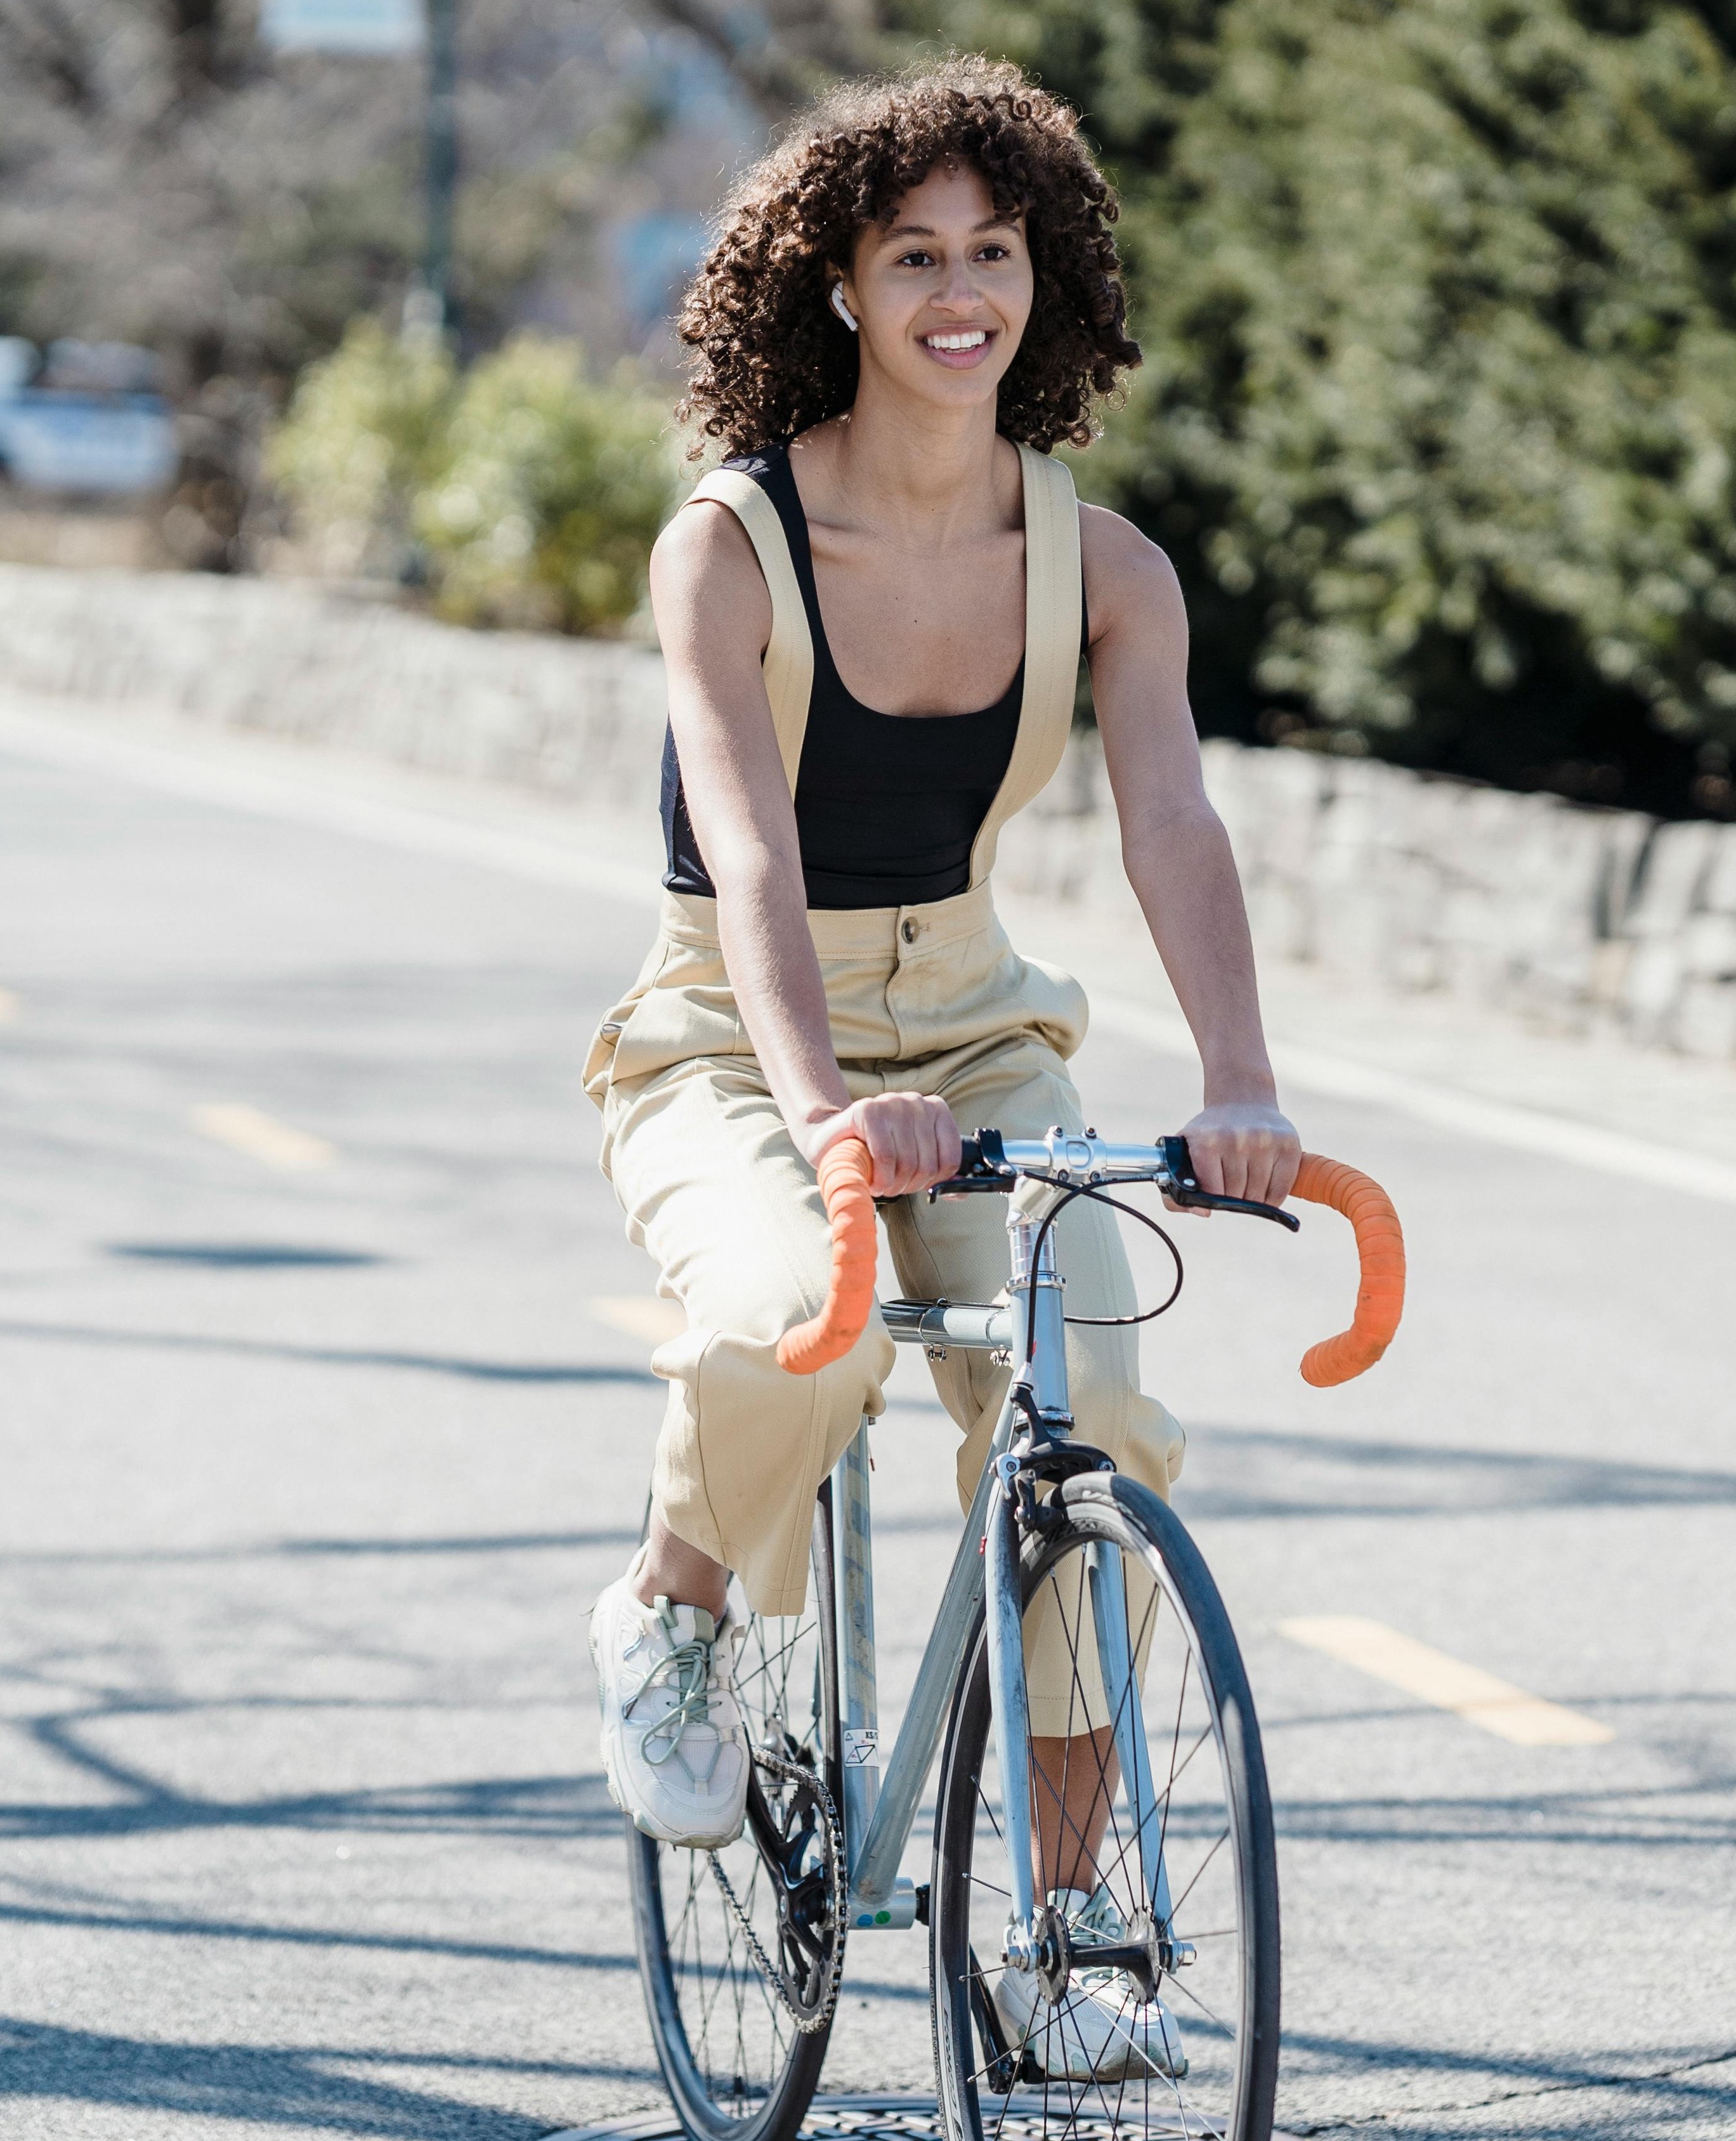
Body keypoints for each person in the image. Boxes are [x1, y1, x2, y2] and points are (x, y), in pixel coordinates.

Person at [578, 57, 1293, 2077]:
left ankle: (1067, 1944)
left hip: (977, 1030)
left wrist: (1242, 1082)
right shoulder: (731, 545)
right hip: (735, 1036)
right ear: (840, 284)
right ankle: (672, 1610)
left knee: (1094, 1422)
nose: (959, 294)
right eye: (914, 257)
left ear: (1044, 280)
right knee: (788, 1330)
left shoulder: (1106, 568)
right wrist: (820, 1112)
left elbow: (1174, 823)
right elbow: (750, 852)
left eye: (995, 253)